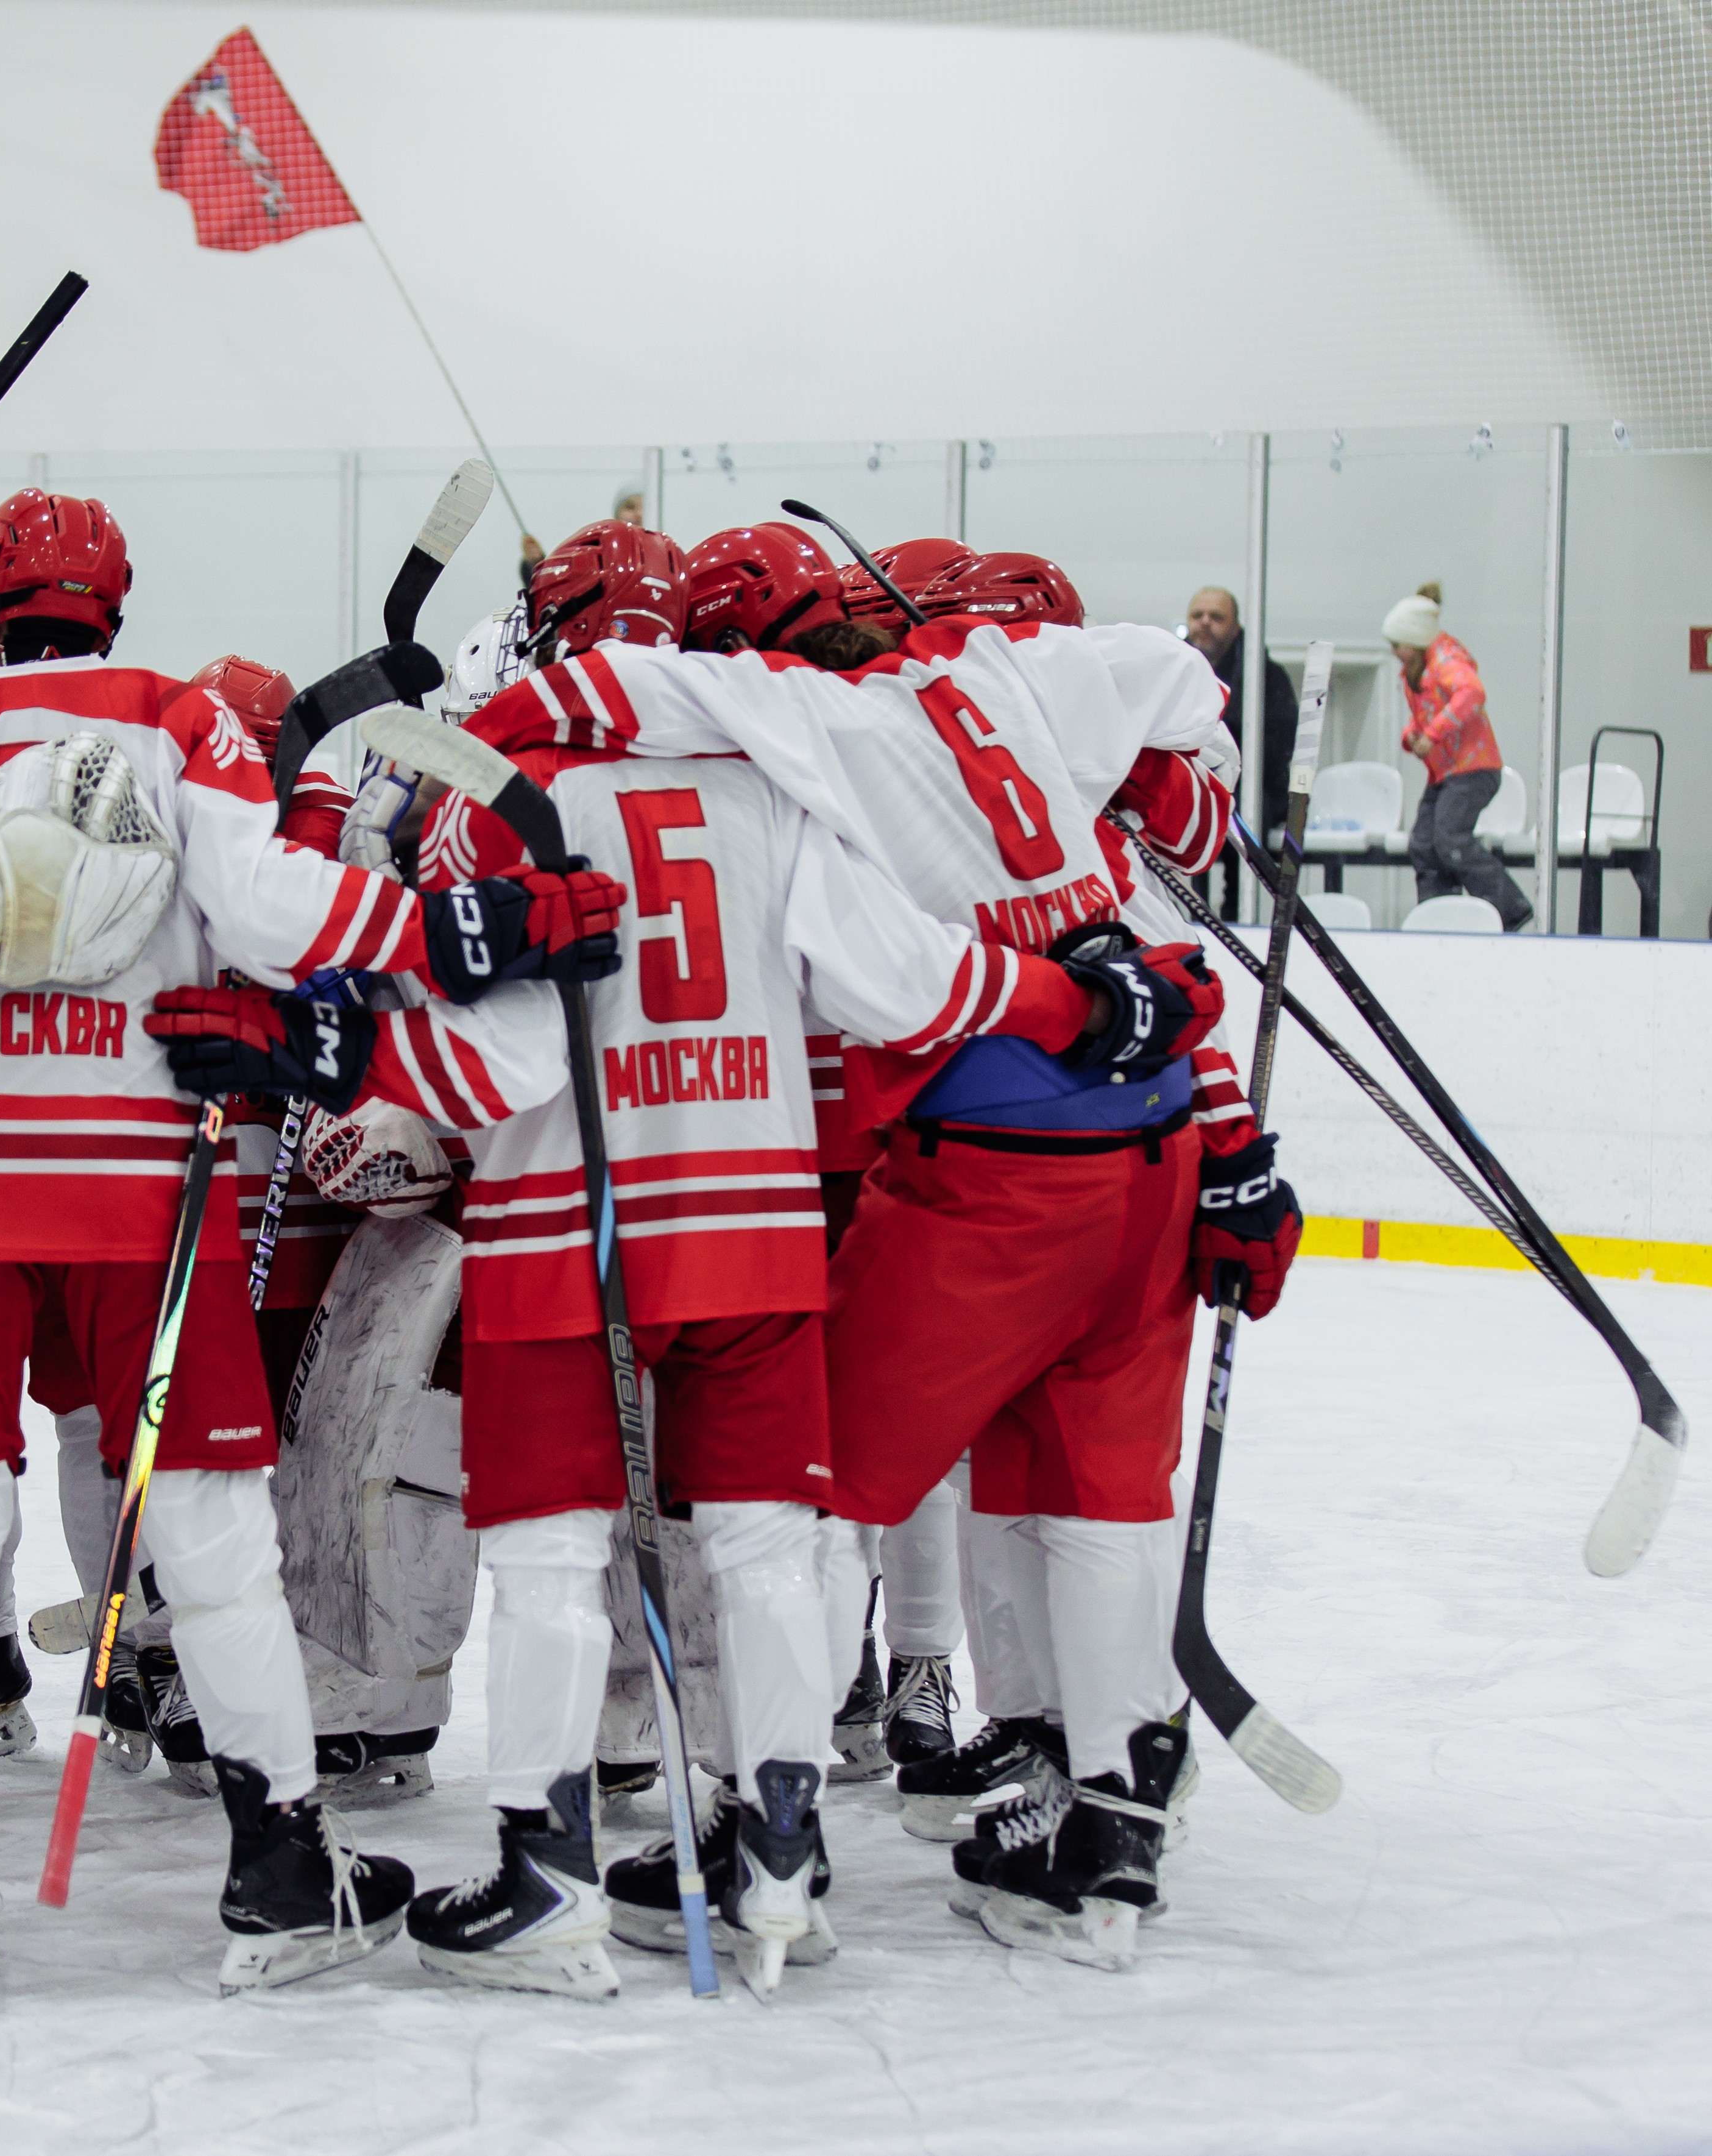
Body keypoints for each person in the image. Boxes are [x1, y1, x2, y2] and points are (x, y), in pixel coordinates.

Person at [155, 519, 1215, 1999]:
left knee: (545, 1549)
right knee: (772, 1544)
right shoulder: (778, 783)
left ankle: (547, 1874)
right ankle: (776, 1858)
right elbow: (908, 982)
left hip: (558, 1236)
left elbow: (487, 1067)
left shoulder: (501, 792)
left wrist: (315, 1039)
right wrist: (1075, 1004)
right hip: (759, 1227)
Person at [0, 489, 623, 2000]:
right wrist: (467, 934)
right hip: (136, 1187)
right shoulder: (175, 722)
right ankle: (283, 1862)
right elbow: (283, 915)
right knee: (214, 1542)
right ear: (112, 602)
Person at [684, 525, 1287, 1973]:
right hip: (1139, 1167)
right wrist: (1234, 1149)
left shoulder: (826, 733)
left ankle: (774, 1824)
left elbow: (887, 978)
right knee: (1095, 1495)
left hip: (995, 1176)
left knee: (817, 1479)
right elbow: (1179, 729)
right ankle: (1113, 1831)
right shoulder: (1015, 683)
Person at [1385, 584, 1532, 930]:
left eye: (1397, 645)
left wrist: (1433, 734)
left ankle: (1511, 907)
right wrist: (1412, 736)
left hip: (1474, 770)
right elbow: (1422, 718)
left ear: (1416, 641)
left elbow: (1472, 693)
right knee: (1423, 843)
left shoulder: (1448, 662)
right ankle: (1438, 914)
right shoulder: (1414, 673)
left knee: (1451, 839)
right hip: (1445, 774)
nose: (1393, 652)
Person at [1183, 585, 1295, 913]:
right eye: (1197, 615)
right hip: (1188, 779)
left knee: (1244, 818)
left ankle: (1238, 918)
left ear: (1235, 628)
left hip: (1249, 787)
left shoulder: (1267, 675)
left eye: (1216, 617)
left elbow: (1279, 743)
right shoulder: (1171, 667)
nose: (1204, 623)